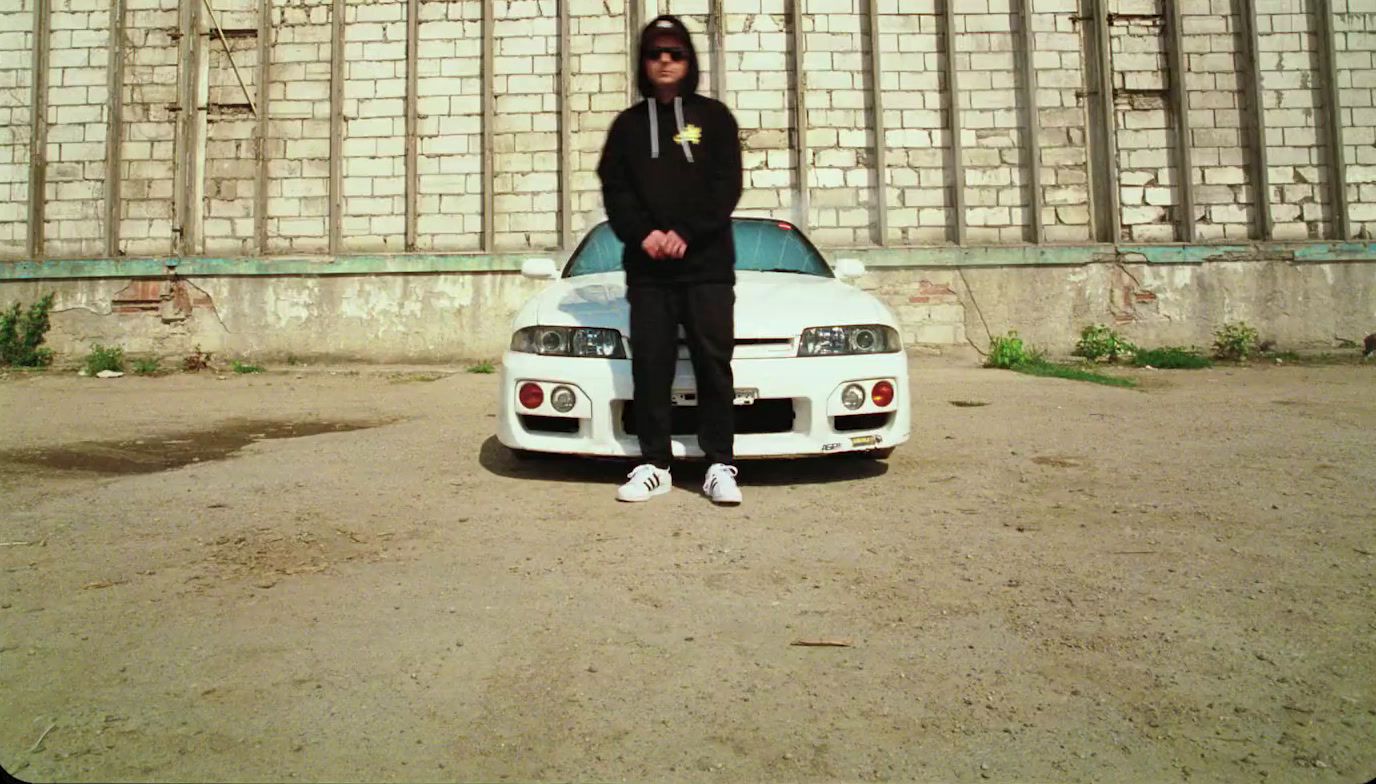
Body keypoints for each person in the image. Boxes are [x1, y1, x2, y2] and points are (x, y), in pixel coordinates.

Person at [596, 15, 744, 505]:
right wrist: (646, 235)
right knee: (652, 367)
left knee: (713, 364)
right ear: (643, 61)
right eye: (655, 52)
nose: (665, 60)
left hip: (707, 269)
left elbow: (726, 186)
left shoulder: (715, 118)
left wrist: (684, 233)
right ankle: (653, 464)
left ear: (689, 60)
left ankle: (719, 464)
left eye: (675, 53)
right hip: (649, 274)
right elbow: (615, 191)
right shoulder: (627, 126)